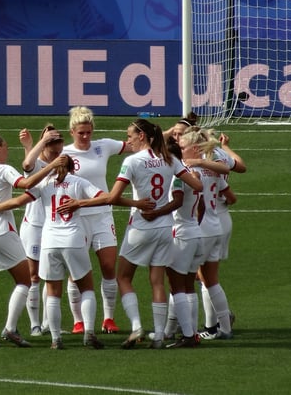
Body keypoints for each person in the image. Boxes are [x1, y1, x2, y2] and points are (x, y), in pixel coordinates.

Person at [58, 118, 203, 349]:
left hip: (141, 226)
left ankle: (136, 326)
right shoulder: (170, 159)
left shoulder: (133, 161)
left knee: (123, 278)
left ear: (142, 136)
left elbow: (113, 197)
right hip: (166, 227)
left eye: (130, 136)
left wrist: (81, 203)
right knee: (157, 281)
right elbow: (197, 186)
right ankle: (159, 335)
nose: (128, 140)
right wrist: (165, 201)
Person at [0, 155, 107, 350]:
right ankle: (89, 332)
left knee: (52, 292)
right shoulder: (80, 182)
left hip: (48, 243)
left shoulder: (44, 184)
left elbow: (18, 201)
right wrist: (79, 203)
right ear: (73, 168)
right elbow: (104, 198)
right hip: (73, 240)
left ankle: (56, 339)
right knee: (87, 288)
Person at [0, 133, 66, 347]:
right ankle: (10, 328)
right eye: (5, 146)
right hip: (1, 231)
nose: (7, 150)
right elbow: (27, 183)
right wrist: (51, 167)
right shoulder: (3, 169)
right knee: (24, 281)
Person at [61, 106, 131, 336]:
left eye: (88, 132)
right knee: (76, 271)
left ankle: (109, 318)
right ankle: (78, 320)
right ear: (72, 131)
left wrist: (170, 133)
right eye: (81, 133)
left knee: (109, 267)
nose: (85, 137)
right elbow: (35, 167)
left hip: (102, 216)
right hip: (76, 218)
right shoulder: (64, 153)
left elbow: (133, 146)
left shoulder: (103, 146)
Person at [144, 138, 204, 348]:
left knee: (176, 285)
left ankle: (188, 335)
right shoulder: (191, 173)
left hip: (182, 236)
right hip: (195, 233)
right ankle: (191, 332)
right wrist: (195, 224)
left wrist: (156, 213)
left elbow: (177, 201)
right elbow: (202, 205)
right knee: (188, 286)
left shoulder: (177, 177)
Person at [179, 129, 236, 340]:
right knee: (211, 281)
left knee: (183, 280)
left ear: (194, 148)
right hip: (216, 227)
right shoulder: (214, 169)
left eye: (183, 147)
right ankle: (225, 329)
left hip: (200, 230)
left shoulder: (189, 170)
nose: (180, 150)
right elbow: (228, 191)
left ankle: (186, 331)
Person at [17, 124, 64, 336]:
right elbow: (27, 162)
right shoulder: (38, 165)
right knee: (34, 276)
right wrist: (38, 142)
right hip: (34, 226)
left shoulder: (64, 164)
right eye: (51, 147)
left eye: (58, 148)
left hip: (54, 226)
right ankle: (35, 324)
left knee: (52, 275)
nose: (56, 152)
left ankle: (48, 322)